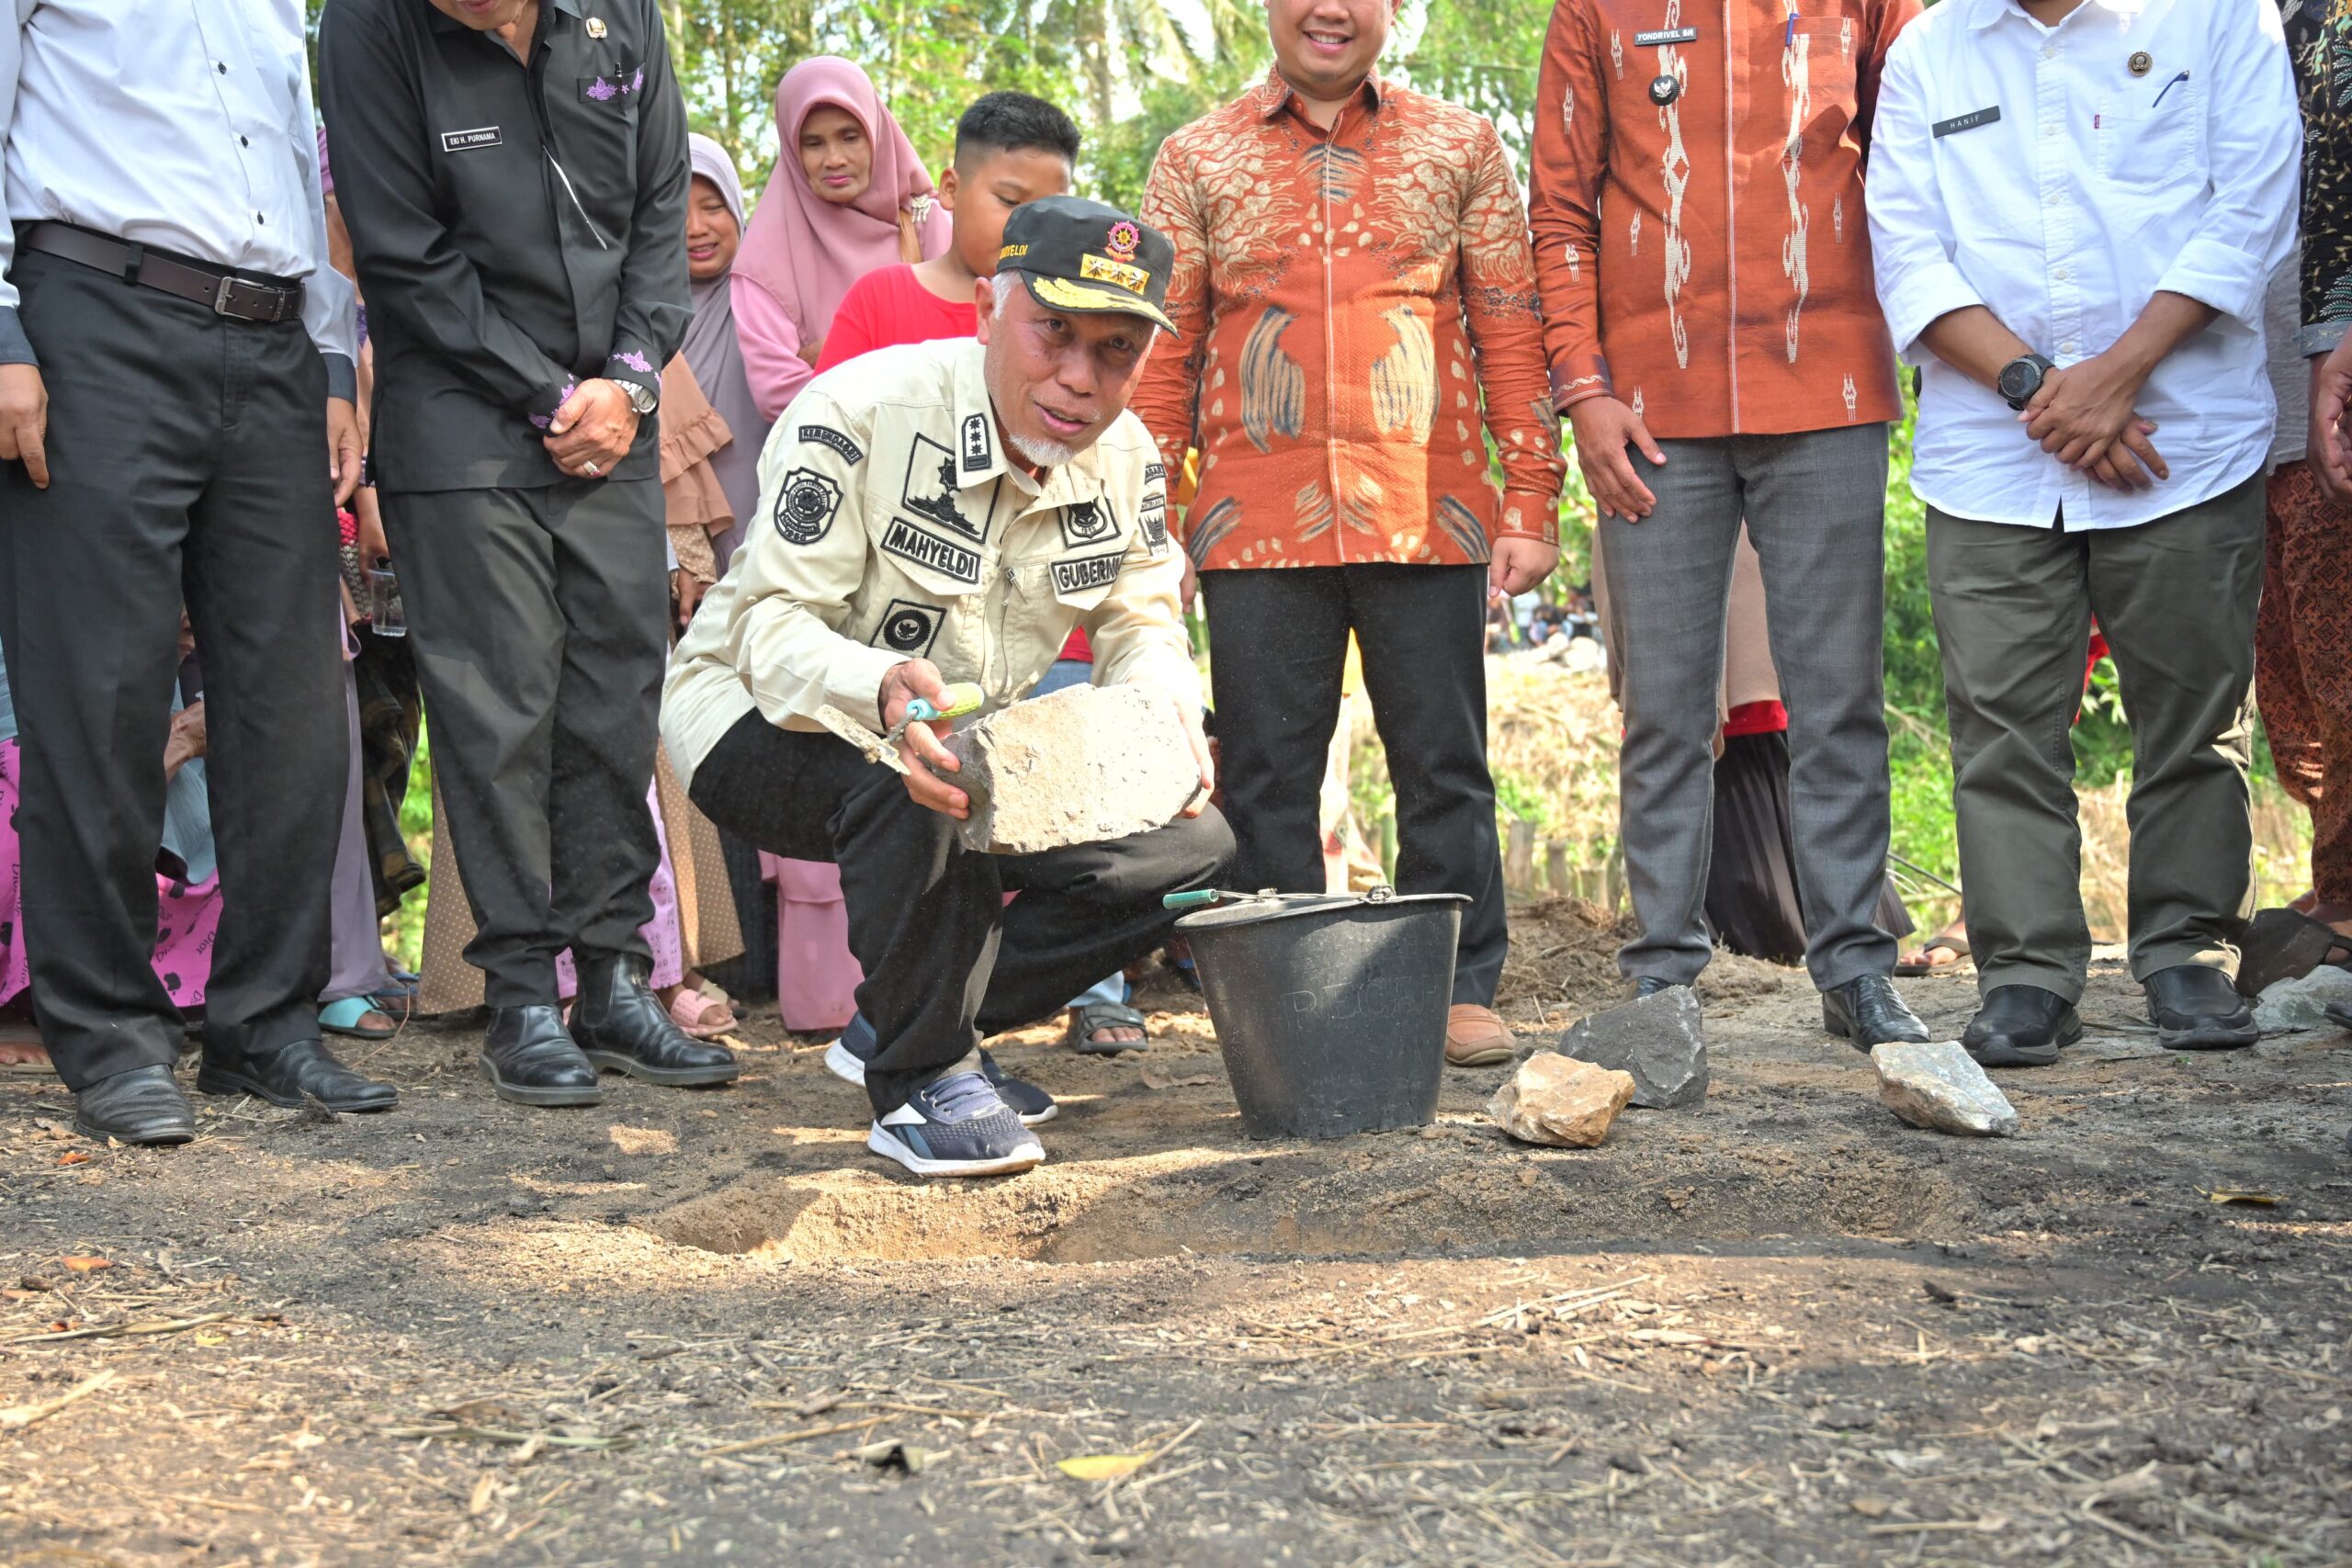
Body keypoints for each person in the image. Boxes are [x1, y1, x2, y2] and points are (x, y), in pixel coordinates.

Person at [663, 197, 1230, 1178]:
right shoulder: (860, 410)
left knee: (1191, 846)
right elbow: (768, 629)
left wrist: (1166, 717)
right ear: (983, 309)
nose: (1078, 379)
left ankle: (904, 1016)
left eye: (1116, 350)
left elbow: (1141, 622)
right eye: (1052, 332)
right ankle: (922, 1082)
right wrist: (880, 684)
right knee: (911, 772)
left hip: (965, 749)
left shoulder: (1129, 457)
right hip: (750, 721)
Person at [321, 0, 738, 1108]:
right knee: (499, 702)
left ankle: (612, 982)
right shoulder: (369, 28)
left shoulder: (620, 18)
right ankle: (518, 995)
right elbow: (403, 253)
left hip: (615, 413)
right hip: (463, 417)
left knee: (614, 695)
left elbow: (658, 215)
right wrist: (556, 396)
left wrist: (632, 384)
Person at [1135, 0, 1565, 1072]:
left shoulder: (1459, 144)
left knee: (1444, 765)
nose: (1331, 9)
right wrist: (1152, 520)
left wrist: (1532, 499)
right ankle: (1290, 1002)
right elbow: (1163, 355)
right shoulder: (1197, 157)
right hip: (1249, 520)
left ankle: (1456, 988)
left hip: (1429, 511)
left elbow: (1508, 326)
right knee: (1269, 776)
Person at [1868, 0, 2297, 1065]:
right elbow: (1907, 251)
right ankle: (2024, 973)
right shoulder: (1930, 46)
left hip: (2181, 435)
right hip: (1993, 451)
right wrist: (2043, 391)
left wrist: (2117, 374)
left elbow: (2252, 207)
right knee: (2000, 724)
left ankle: (2183, 952)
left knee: (2194, 713)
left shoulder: (2218, 16)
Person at [0, 0, 399, 1144]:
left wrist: (329, 354)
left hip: (273, 344)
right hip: (94, 316)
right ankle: (114, 1038)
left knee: (291, 705)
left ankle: (267, 1027)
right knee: (103, 696)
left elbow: (286, 162)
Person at [1528, 0, 1928, 1050]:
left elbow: (1917, 167)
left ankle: (1854, 970)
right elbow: (1559, 212)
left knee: (1838, 699)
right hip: (1651, 408)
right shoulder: (1594, 11)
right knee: (1664, 709)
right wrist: (1582, 390)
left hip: (1831, 388)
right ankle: (1663, 977)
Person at [812, 91, 1149, 1058]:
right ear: (949, 189)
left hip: (1056, 632)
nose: (1030, 226)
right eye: (1009, 201)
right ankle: (913, 1016)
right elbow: (836, 466)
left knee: (1092, 827)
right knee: (940, 837)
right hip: (917, 648)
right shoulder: (881, 308)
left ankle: (1095, 989)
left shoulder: (1089, 326)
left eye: (1053, 206)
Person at [2259, 0, 2352, 979]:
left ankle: (2345, 889)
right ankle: (2331, 878)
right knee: (2285, 679)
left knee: (2341, 672)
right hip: (2251, 403)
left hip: (2333, 383)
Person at [732, 57, 950, 422]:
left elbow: (965, 348)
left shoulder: (928, 222)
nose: (834, 159)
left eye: (850, 137)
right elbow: (777, 392)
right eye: (813, 143)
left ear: (877, 134)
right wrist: (904, 356)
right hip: (828, 466)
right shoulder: (763, 260)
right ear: (791, 150)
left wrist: (837, 349)